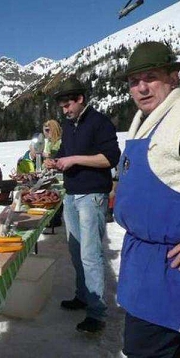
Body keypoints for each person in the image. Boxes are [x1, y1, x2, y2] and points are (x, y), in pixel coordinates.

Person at [114, 41, 180, 357]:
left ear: (174, 76)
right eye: (133, 81)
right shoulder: (146, 120)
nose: (141, 88)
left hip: (170, 273)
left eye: (150, 77)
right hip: (143, 264)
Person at [44, 76, 120, 333]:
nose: (64, 110)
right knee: (76, 251)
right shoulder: (70, 125)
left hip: (92, 195)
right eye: (62, 106)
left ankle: (97, 313)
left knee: (90, 254)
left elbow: (110, 158)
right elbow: (65, 152)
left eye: (68, 104)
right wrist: (55, 160)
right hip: (71, 194)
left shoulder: (99, 122)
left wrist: (74, 159)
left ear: (80, 99)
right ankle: (83, 295)